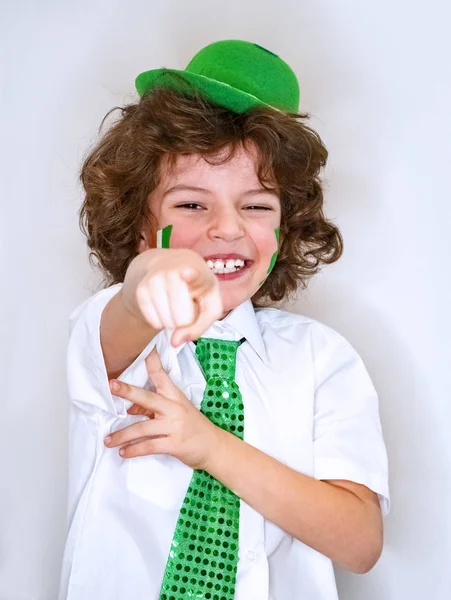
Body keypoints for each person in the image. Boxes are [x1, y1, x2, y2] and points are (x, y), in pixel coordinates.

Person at [60, 40, 389, 600]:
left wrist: (210, 446)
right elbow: (131, 306)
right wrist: (152, 279)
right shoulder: (119, 334)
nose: (228, 228)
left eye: (257, 206)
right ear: (141, 225)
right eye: (192, 205)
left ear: (286, 229)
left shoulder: (320, 357)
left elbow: (360, 544)